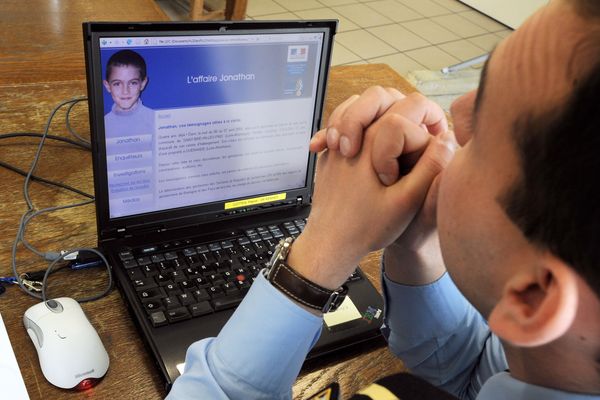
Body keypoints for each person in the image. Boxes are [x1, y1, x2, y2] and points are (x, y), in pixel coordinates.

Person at [167, 0, 600, 398]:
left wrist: (322, 249)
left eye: (484, 125)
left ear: (534, 297)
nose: (459, 112)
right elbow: (475, 375)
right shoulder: (570, 354)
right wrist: (418, 242)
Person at [102, 49, 154, 137]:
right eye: (117, 84)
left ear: (143, 84)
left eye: (133, 83)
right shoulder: (103, 124)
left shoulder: (155, 120)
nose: (125, 91)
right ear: (107, 86)